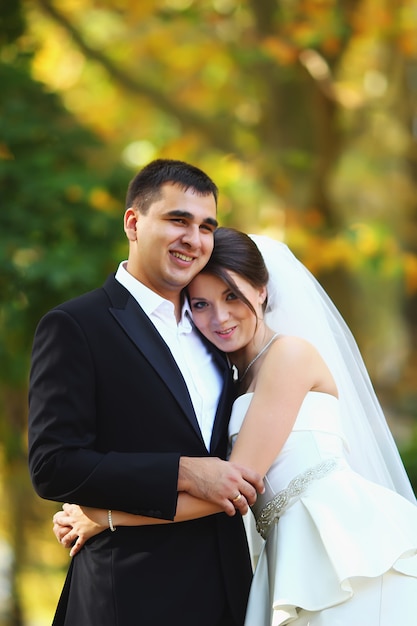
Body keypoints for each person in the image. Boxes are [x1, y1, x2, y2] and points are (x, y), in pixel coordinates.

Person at [54, 227, 417, 626]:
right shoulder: (233, 378)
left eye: (232, 296)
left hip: (341, 543)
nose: (220, 317)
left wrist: (105, 517)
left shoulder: (289, 355)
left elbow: (231, 487)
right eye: (201, 304)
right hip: (287, 550)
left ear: (261, 289)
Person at [28, 163, 265, 626]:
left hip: (231, 592)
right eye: (178, 220)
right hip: (129, 597)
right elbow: (53, 465)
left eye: (206, 227)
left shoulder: (217, 330)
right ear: (134, 223)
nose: (194, 239)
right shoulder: (77, 326)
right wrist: (182, 472)